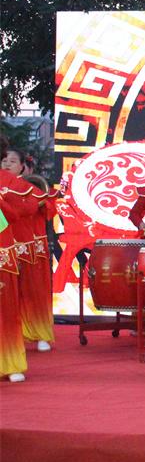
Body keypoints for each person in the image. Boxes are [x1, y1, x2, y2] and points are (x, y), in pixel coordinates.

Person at [1, 150, 56, 353]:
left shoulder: (28, 187)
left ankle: (39, 333)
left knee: (31, 291)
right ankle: (11, 339)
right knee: (7, 295)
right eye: (4, 161)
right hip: (6, 245)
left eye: (13, 161)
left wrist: (36, 204)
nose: (7, 164)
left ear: (23, 166)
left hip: (27, 244)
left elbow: (48, 207)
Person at [0, 158, 41, 382]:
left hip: (3, 250)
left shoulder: (12, 182)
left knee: (6, 308)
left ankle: (10, 362)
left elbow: (21, 212)